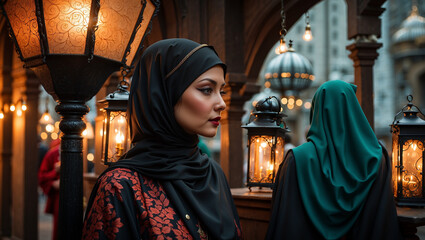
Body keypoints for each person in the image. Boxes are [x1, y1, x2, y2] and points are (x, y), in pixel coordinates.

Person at [82, 38, 242, 239]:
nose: (221, 103)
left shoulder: (213, 174)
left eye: (222, 91)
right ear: (165, 94)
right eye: (207, 90)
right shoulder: (120, 186)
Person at [265, 80, 402, 240]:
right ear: (353, 110)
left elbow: (285, 222)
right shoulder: (377, 159)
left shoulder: (297, 159)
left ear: (317, 112)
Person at [38, 139, 61, 240]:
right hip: (58, 197)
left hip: (75, 196)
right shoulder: (52, 154)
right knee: (58, 226)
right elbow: (42, 176)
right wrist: (53, 181)